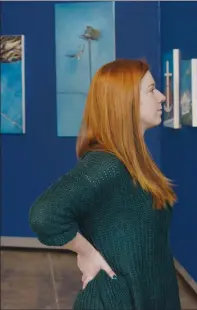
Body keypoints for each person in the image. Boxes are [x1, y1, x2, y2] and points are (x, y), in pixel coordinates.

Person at [29, 59, 181, 310]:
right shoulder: (106, 164)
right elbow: (44, 214)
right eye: (152, 89)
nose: (163, 97)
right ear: (125, 100)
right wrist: (86, 253)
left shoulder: (134, 161)